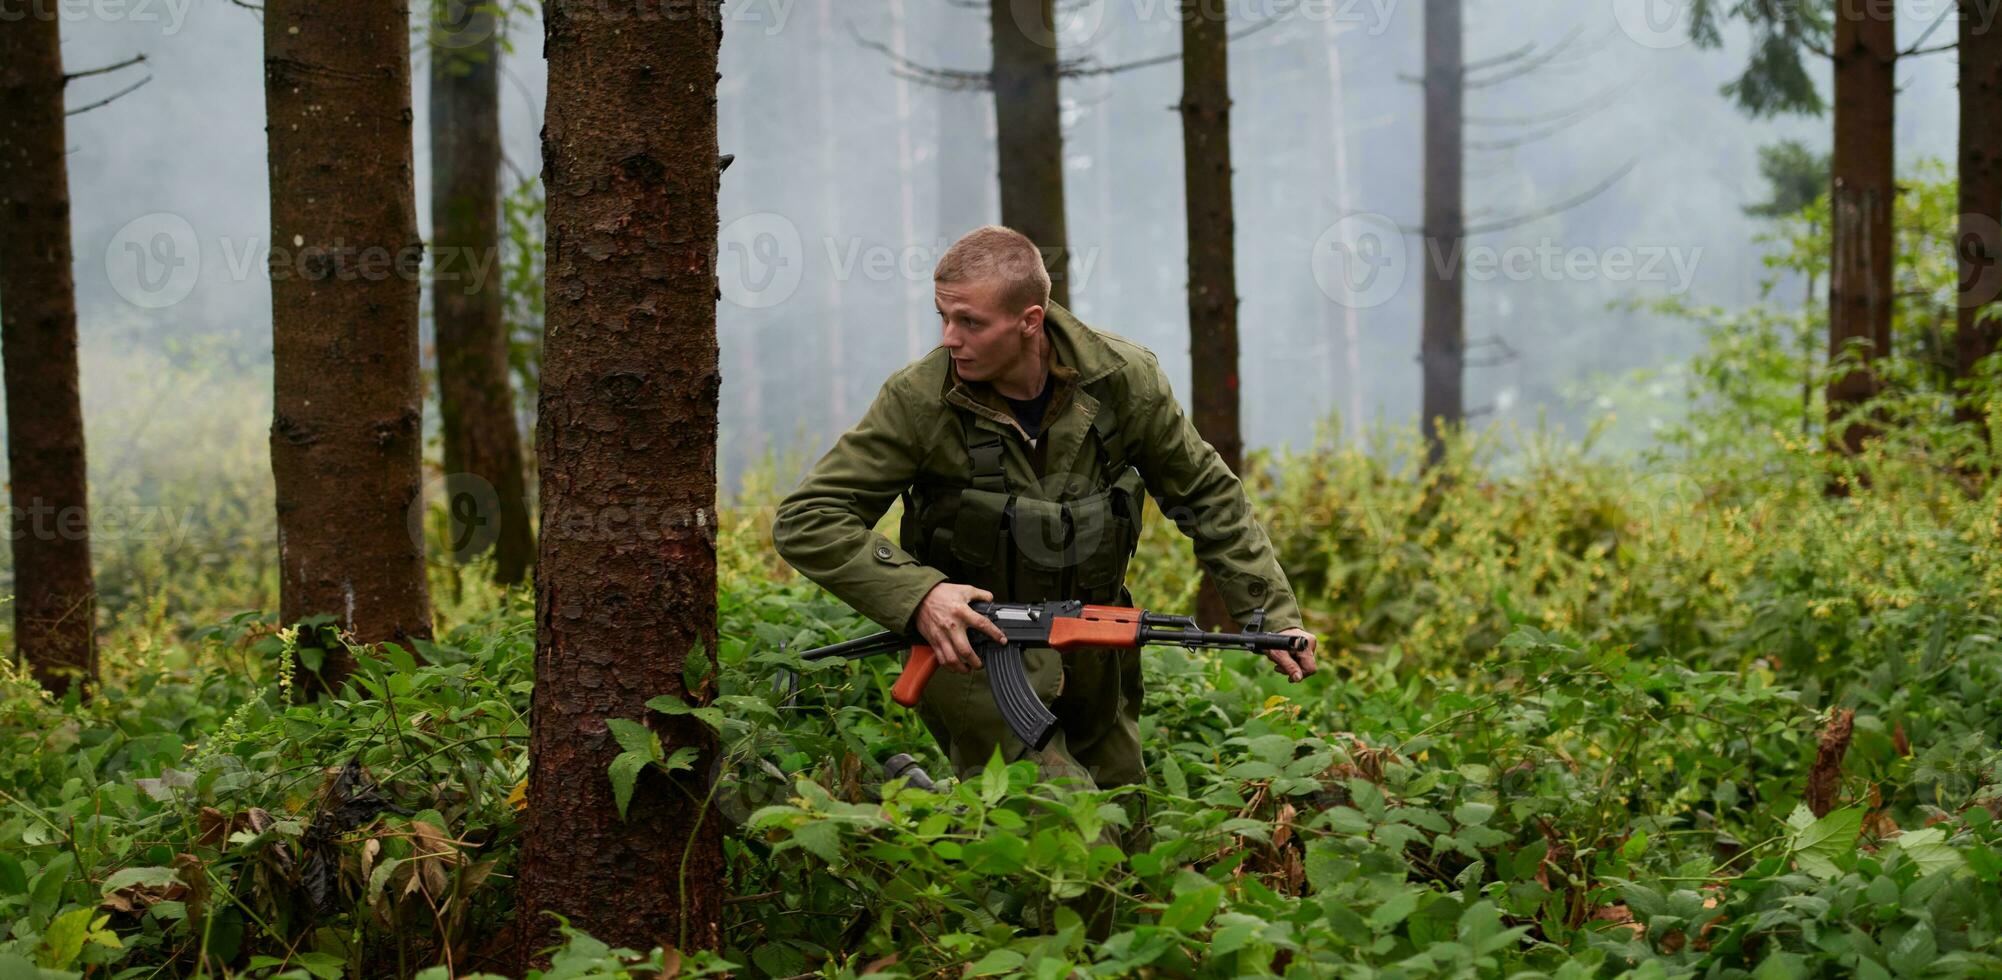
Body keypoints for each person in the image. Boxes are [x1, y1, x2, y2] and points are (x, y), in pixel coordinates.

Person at [772, 224, 1317, 793]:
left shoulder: (1121, 381)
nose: (950, 338)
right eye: (944, 318)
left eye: (971, 323)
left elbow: (1207, 494)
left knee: (1127, 835)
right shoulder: (918, 401)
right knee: (1068, 825)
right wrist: (921, 596)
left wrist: (1270, 614)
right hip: (974, 658)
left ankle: (932, 813)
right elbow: (808, 518)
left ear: (1030, 321)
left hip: (1092, 655)